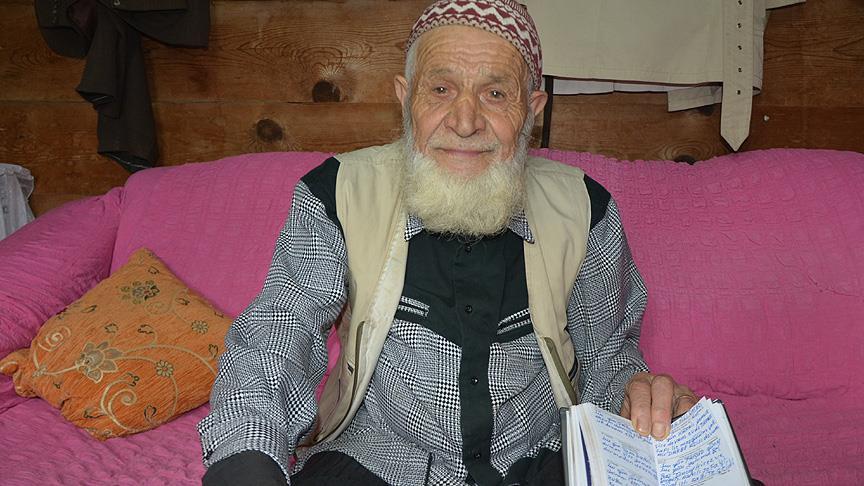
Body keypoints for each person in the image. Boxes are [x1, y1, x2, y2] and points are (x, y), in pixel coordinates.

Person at [198, 1, 697, 484]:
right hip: (376, 457)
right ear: (405, 97)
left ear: (532, 109)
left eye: (495, 94)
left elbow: (607, 358)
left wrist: (642, 398)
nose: (464, 122)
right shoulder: (336, 193)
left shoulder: (586, 208)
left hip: (542, 455)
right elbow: (277, 336)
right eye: (440, 89)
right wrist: (246, 459)